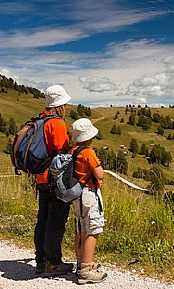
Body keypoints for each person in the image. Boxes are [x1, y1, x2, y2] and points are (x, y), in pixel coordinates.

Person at [34, 85, 74, 276]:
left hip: (41, 177)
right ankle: (53, 262)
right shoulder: (56, 123)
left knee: (43, 218)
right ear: (60, 105)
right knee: (56, 220)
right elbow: (62, 150)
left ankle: (41, 261)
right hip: (54, 178)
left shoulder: (40, 119)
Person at [71, 118, 107, 284]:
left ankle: (80, 263)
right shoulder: (88, 152)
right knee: (94, 229)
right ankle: (86, 270)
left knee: (81, 228)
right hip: (89, 193)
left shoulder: (73, 151)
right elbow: (99, 175)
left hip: (76, 194)